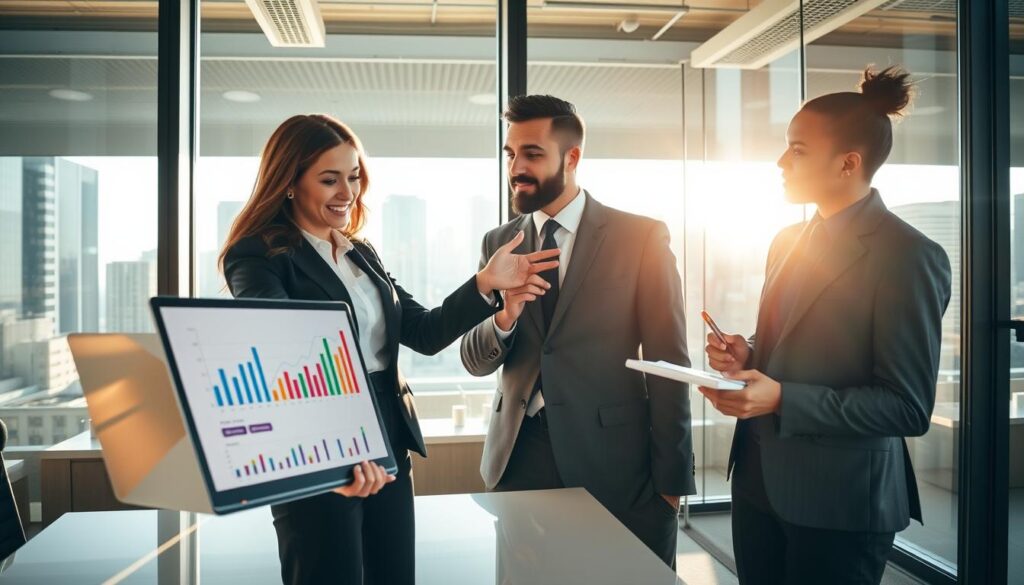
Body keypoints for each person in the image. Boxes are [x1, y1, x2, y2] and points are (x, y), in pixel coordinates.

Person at [219, 113, 560, 585]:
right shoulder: (258, 255)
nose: (348, 192)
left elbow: (422, 330)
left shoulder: (361, 253)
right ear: (290, 183)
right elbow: (280, 345)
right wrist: (340, 444)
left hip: (387, 442)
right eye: (329, 179)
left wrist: (487, 283)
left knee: (394, 575)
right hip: (319, 445)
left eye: (354, 177)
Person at [699, 67, 952, 585]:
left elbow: (906, 405)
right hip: (758, 484)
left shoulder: (909, 256)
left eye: (797, 150)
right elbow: (790, 340)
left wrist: (781, 398)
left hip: (840, 504)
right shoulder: (786, 239)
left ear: (848, 164)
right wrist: (747, 353)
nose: (779, 161)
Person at [460, 95, 694, 568]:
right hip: (517, 458)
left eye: (532, 154)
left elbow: (669, 362)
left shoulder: (641, 238)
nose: (516, 167)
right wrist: (505, 316)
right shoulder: (497, 243)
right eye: (510, 153)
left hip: (614, 463)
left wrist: (672, 482)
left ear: (573, 158)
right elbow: (474, 358)